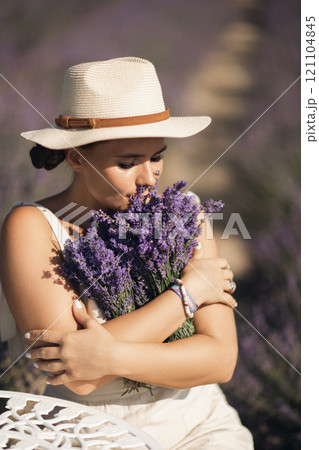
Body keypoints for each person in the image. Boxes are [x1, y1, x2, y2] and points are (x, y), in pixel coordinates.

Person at [0, 57, 254, 449]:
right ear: (76, 157)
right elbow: (80, 378)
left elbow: (220, 360)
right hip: (90, 431)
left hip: (200, 423)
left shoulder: (184, 210)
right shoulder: (31, 226)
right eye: (127, 162)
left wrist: (107, 356)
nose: (149, 177)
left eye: (156, 156)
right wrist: (188, 294)